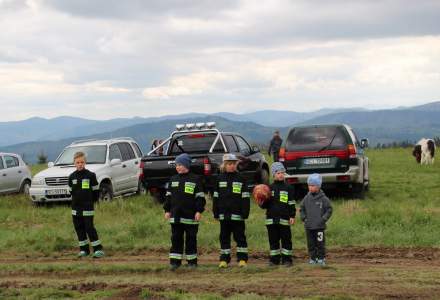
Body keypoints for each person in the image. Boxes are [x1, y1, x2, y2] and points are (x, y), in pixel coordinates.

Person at [163, 153, 206, 270]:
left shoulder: (195, 179)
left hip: (191, 217)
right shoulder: (173, 179)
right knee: (176, 239)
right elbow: (168, 197)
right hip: (176, 217)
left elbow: (200, 198)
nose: (177, 167)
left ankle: (192, 262)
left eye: (180, 164)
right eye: (176, 165)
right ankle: (175, 262)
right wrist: (167, 210)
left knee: (191, 239)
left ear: (186, 165)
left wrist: (199, 211)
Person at [213, 154, 250, 268]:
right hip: (224, 216)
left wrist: (245, 212)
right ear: (224, 165)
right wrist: (216, 212)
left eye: (234, 164)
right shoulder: (219, 179)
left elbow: (245, 197)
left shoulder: (241, 178)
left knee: (240, 237)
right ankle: (224, 259)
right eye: (229, 164)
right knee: (224, 237)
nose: (232, 166)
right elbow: (216, 197)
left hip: (238, 216)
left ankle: (242, 259)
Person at [68, 151, 104, 258]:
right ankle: (84, 250)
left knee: (89, 228)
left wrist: (91, 202)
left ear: (85, 163)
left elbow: (96, 191)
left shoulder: (90, 175)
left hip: (87, 207)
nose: (80, 164)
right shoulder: (71, 177)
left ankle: (98, 250)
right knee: (79, 228)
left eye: (82, 162)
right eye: (78, 162)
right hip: (75, 208)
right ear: (74, 163)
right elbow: (71, 192)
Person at [260, 162, 296, 266]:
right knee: (273, 240)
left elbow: (291, 203)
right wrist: (261, 201)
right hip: (271, 220)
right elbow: (264, 206)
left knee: (286, 240)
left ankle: (287, 260)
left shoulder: (289, 188)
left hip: (284, 220)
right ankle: (274, 260)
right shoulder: (268, 188)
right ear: (273, 175)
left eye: (282, 173)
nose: (281, 175)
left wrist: (292, 216)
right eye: (278, 173)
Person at [300, 173, 332, 266]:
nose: (310, 187)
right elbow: (301, 208)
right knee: (311, 244)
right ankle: (313, 258)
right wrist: (304, 218)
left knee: (320, 244)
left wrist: (323, 219)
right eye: (309, 185)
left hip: (319, 227)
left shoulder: (324, 199)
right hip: (309, 227)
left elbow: (329, 209)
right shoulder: (306, 198)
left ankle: (321, 258)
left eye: (313, 185)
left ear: (318, 186)